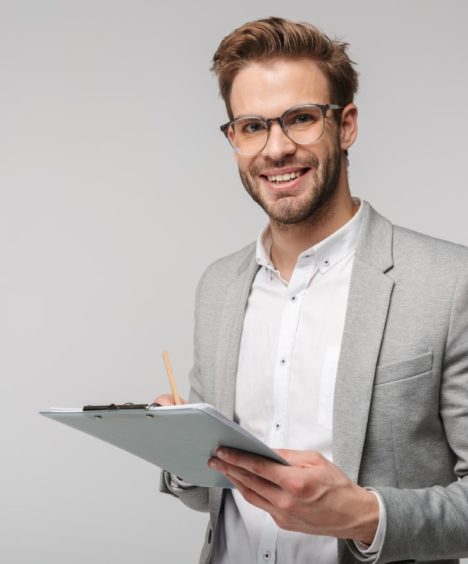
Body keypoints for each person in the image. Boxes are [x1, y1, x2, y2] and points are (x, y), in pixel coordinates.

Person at [156, 16, 468, 564]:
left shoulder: (450, 283)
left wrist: (363, 514)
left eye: (300, 119)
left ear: (345, 125)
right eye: (252, 126)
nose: (275, 149)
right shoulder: (218, 287)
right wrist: (179, 449)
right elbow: (215, 491)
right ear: (233, 138)